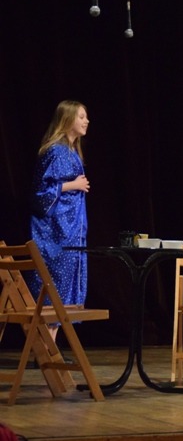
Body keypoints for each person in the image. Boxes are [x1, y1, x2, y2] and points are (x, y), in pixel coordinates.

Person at [26, 100, 90, 342]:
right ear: (68, 119)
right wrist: (72, 185)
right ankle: (44, 346)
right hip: (54, 232)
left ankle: (50, 345)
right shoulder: (55, 150)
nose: (86, 121)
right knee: (52, 284)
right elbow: (39, 195)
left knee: (64, 286)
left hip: (71, 231)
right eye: (81, 117)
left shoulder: (72, 151)